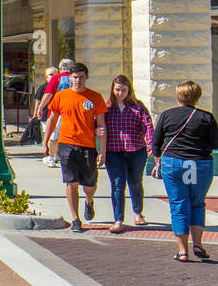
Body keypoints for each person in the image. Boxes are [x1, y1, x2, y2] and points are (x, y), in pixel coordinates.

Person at [153, 80, 218, 262]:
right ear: (197, 97)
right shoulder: (206, 117)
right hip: (201, 164)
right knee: (197, 204)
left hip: (173, 163)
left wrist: (158, 159)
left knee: (178, 205)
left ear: (178, 96)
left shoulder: (167, 115)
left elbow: (156, 144)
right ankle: (198, 244)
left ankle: (182, 250)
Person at [46, 62, 107, 233]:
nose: (77, 80)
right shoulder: (61, 96)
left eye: (81, 77)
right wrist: (46, 141)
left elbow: (102, 126)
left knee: (89, 183)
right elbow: (52, 119)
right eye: (74, 77)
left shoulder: (95, 97)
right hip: (66, 144)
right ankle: (75, 218)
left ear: (86, 77)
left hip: (88, 145)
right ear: (70, 78)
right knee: (71, 181)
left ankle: (89, 200)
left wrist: (102, 151)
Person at [103, 74, 154, 233]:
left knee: (135, 182)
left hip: (136, 150)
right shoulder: (107, 107)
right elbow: (97, 125)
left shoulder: (138, 106)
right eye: (117, 90)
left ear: (129, 90)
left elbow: (148, 125)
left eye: (124, 90)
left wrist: (151, 145)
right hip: (114, 151)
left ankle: (138, 212)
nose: (120, 93)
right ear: (113, 89)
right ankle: (118, 219)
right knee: (118, 185)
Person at [39, 58, 74, 167]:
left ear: (59, 68)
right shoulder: (74, 79)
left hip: (56, 111)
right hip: (72, 111)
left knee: (53, 136)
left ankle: (51, 157)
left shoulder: (55, 78)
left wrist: (40, 107)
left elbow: (48, 94)